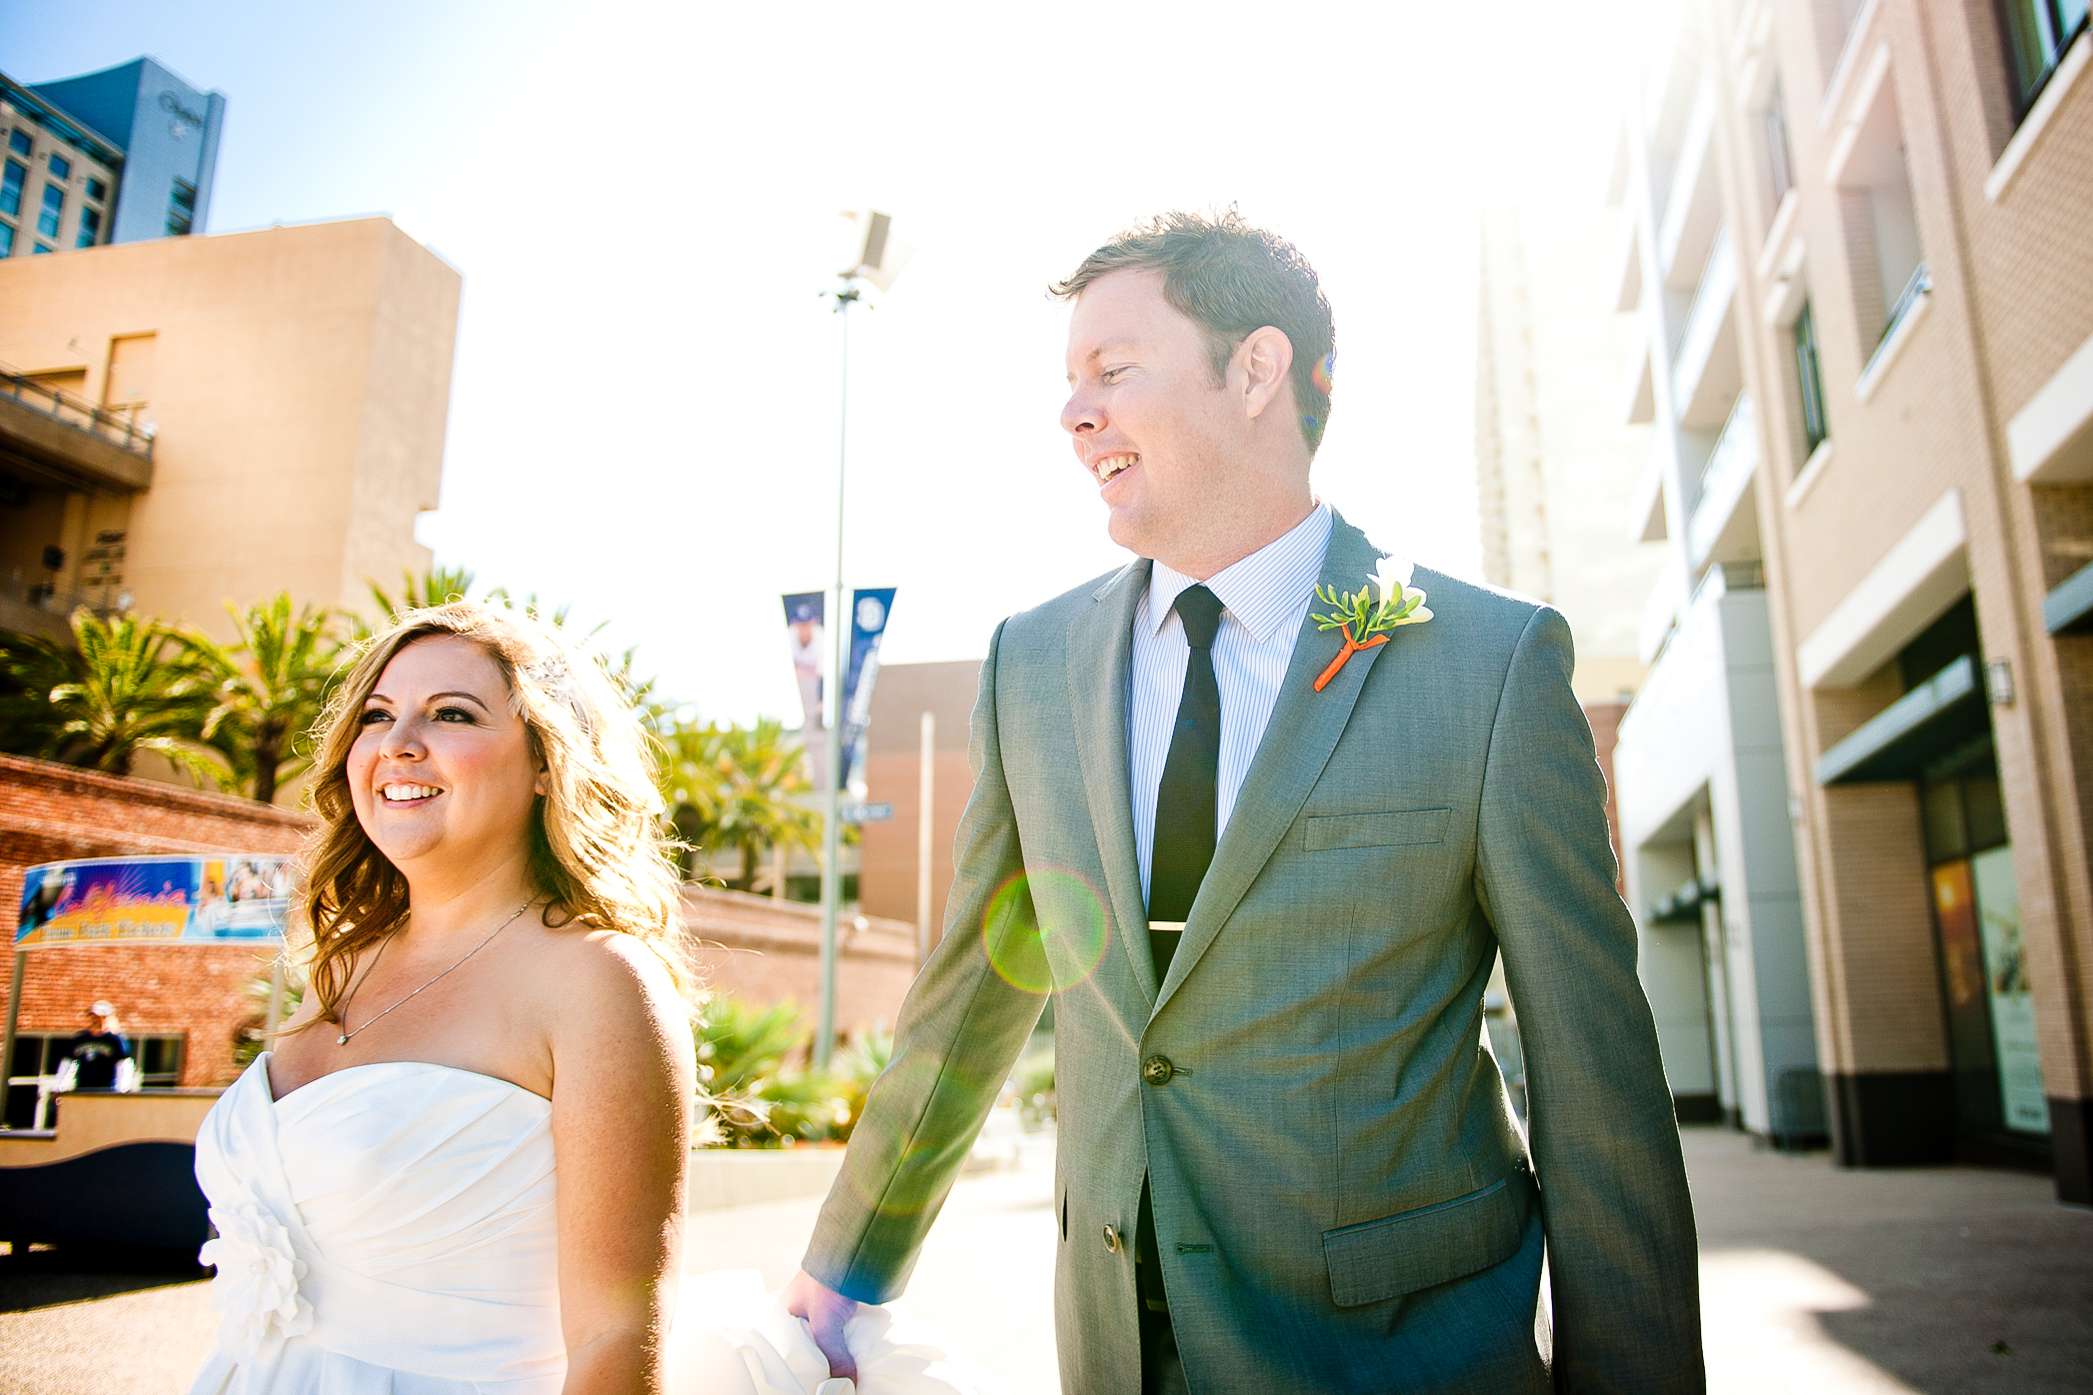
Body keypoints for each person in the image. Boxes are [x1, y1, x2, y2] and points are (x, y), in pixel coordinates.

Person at [787, 211, 1704, 1393]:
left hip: (1401, 1359)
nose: (1073, 415)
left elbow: (1595, 1080)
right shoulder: (1031, 663)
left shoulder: (1487, 663)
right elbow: (971, 996)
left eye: (1112, 371)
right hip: (1119, 1353)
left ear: (1258, 368)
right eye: (1068, 381)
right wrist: (842, 1270)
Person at [186, 602, 978, 1395]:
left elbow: (616, 1334)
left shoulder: (597, 982)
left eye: (451, 713)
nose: (397, 744)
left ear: (545, 760)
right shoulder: (336, 965)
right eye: (377, 715)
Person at [54, 1001, 138, 1094]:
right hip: (82, 1089)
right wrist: (59, 1088)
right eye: (93, 1017)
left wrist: (122, 1090)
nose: (95, 1020)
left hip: (107, 1091)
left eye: (100, 1018)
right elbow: (67, 1063)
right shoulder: (80, 1039)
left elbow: (124, 1066)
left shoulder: (115, 1040)